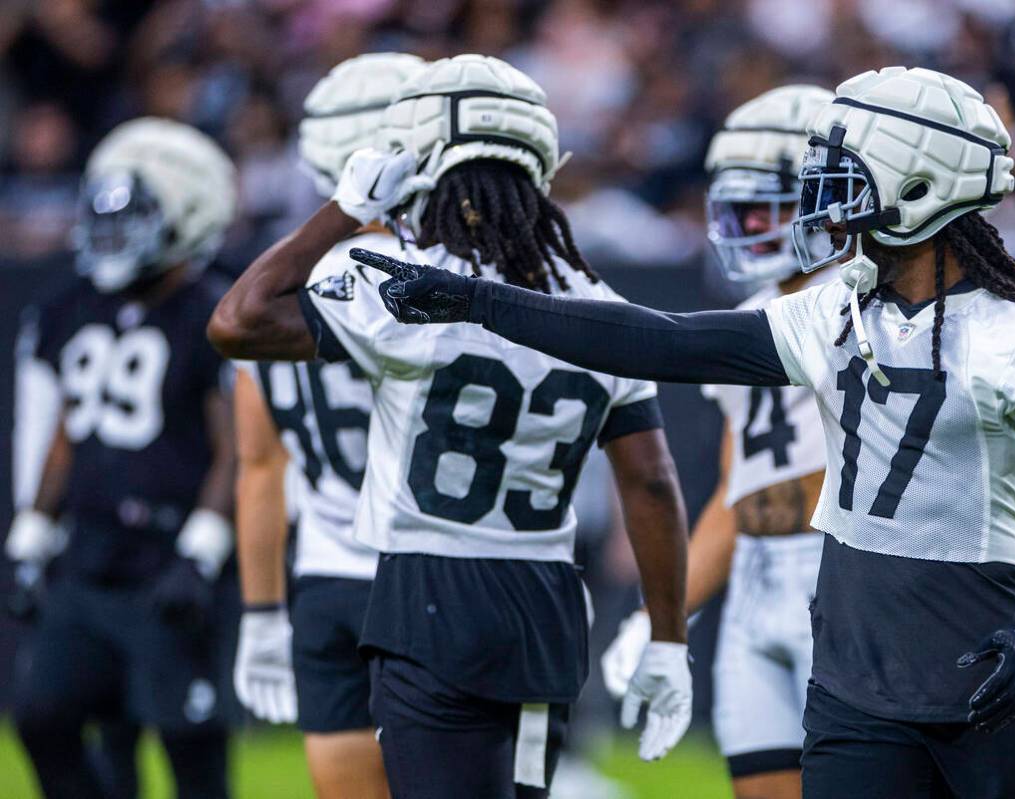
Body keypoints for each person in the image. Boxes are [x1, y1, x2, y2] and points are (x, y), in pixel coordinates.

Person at [353, 65, 1015, 798]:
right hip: (853, 680)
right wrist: (479, 300)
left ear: (918, 184)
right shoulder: (833, 311)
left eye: (848, 173)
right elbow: (661, 339)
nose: (823, 198)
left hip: (991, 666)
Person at [207, 54, 692, 799]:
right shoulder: (600, 300)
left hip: (429, 593)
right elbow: (652, 481)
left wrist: (342, 209)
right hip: (547, 598)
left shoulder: (403, 283)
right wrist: (668, 637)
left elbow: (236, 321)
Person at [602, 83, 832, 799]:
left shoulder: (866, 312)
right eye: (741, 207)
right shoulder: (751, 316)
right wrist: (657, 617)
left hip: (844, 582)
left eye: (771, 205)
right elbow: (736, 501)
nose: (750, 225)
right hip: (758, 586)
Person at [5, 117, 239, 799]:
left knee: (189, 743)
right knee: (45, 717)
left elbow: (235, 448)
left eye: (130, 222)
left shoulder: (209, 310)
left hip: (166, 559)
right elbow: (67, 433)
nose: (110, 243)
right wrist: (32, 533)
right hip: (89, 555)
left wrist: (202, 550)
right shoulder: (73, 308)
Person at [232, 51, 423, 799]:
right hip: (426, 567)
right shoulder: (432, 273)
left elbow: (260, 467)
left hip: (324, 576)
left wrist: (260, 610)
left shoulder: (269, 288)